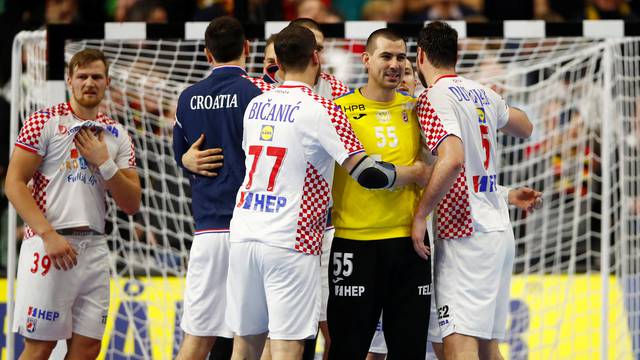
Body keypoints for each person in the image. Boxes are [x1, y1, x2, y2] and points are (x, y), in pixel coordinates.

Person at [225, 24, 425, 360]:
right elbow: (368, 173)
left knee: (245, 346)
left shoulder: (256, 105)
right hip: (290, 238)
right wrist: (416, 172)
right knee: (288, 346)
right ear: (316, 57)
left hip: (244, 233)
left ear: (278, 61)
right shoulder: (323, 108)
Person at [5, 48, 141, 359]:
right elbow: (13, 184)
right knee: (40, 349)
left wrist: (105, 163)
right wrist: (48, 235)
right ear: (69, 80)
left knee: (88, 350)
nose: (89, 82)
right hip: (49, 245)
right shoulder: (44, 122)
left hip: (94, 248)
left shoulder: (117, 134)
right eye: (82, 76)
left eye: (96, 77)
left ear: (107, 83)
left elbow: (132, 203)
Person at [412, 21, 533, 360]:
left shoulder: (431, 98)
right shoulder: (481, 91)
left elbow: (451, 160)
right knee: (485, 347)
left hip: (465, 233)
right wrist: (492, 107)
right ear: (457, 55)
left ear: (420, 56)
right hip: (498, 229)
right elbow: (525, 126)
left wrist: (421, 214)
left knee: (459, 342)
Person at [172, 16, 274, 360]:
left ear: (206, 54)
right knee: (259, 340)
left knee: (197, 339)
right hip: (254, 231)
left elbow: (181, 155)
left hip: (208, 233)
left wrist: (187, 160)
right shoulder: (258, 93)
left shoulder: (187, 99)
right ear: (247, 48)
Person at [328, 29, 431, 360]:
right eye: (386, 56)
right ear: (366, 59)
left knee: (409, 351)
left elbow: (439, 168)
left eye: (401, 57)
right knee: (348, 350)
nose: (395, 64)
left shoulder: (418, 110)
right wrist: (413, 174)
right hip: (355, 244)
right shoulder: (339, 109)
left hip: (410, 246)